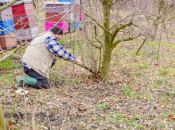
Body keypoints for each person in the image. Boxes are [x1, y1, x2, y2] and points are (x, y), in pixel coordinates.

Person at [15, 25, 82, 89]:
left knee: (53, 60)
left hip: (28, 63)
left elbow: (51, 52)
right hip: (30, 66)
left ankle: (41, 76)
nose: (60, 38)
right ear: (56, 34)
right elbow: (59, 51)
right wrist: (75, 59)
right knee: (45, 84)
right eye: (60, 36)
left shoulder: (44, 35)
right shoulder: (50, 38)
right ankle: (21, 79)